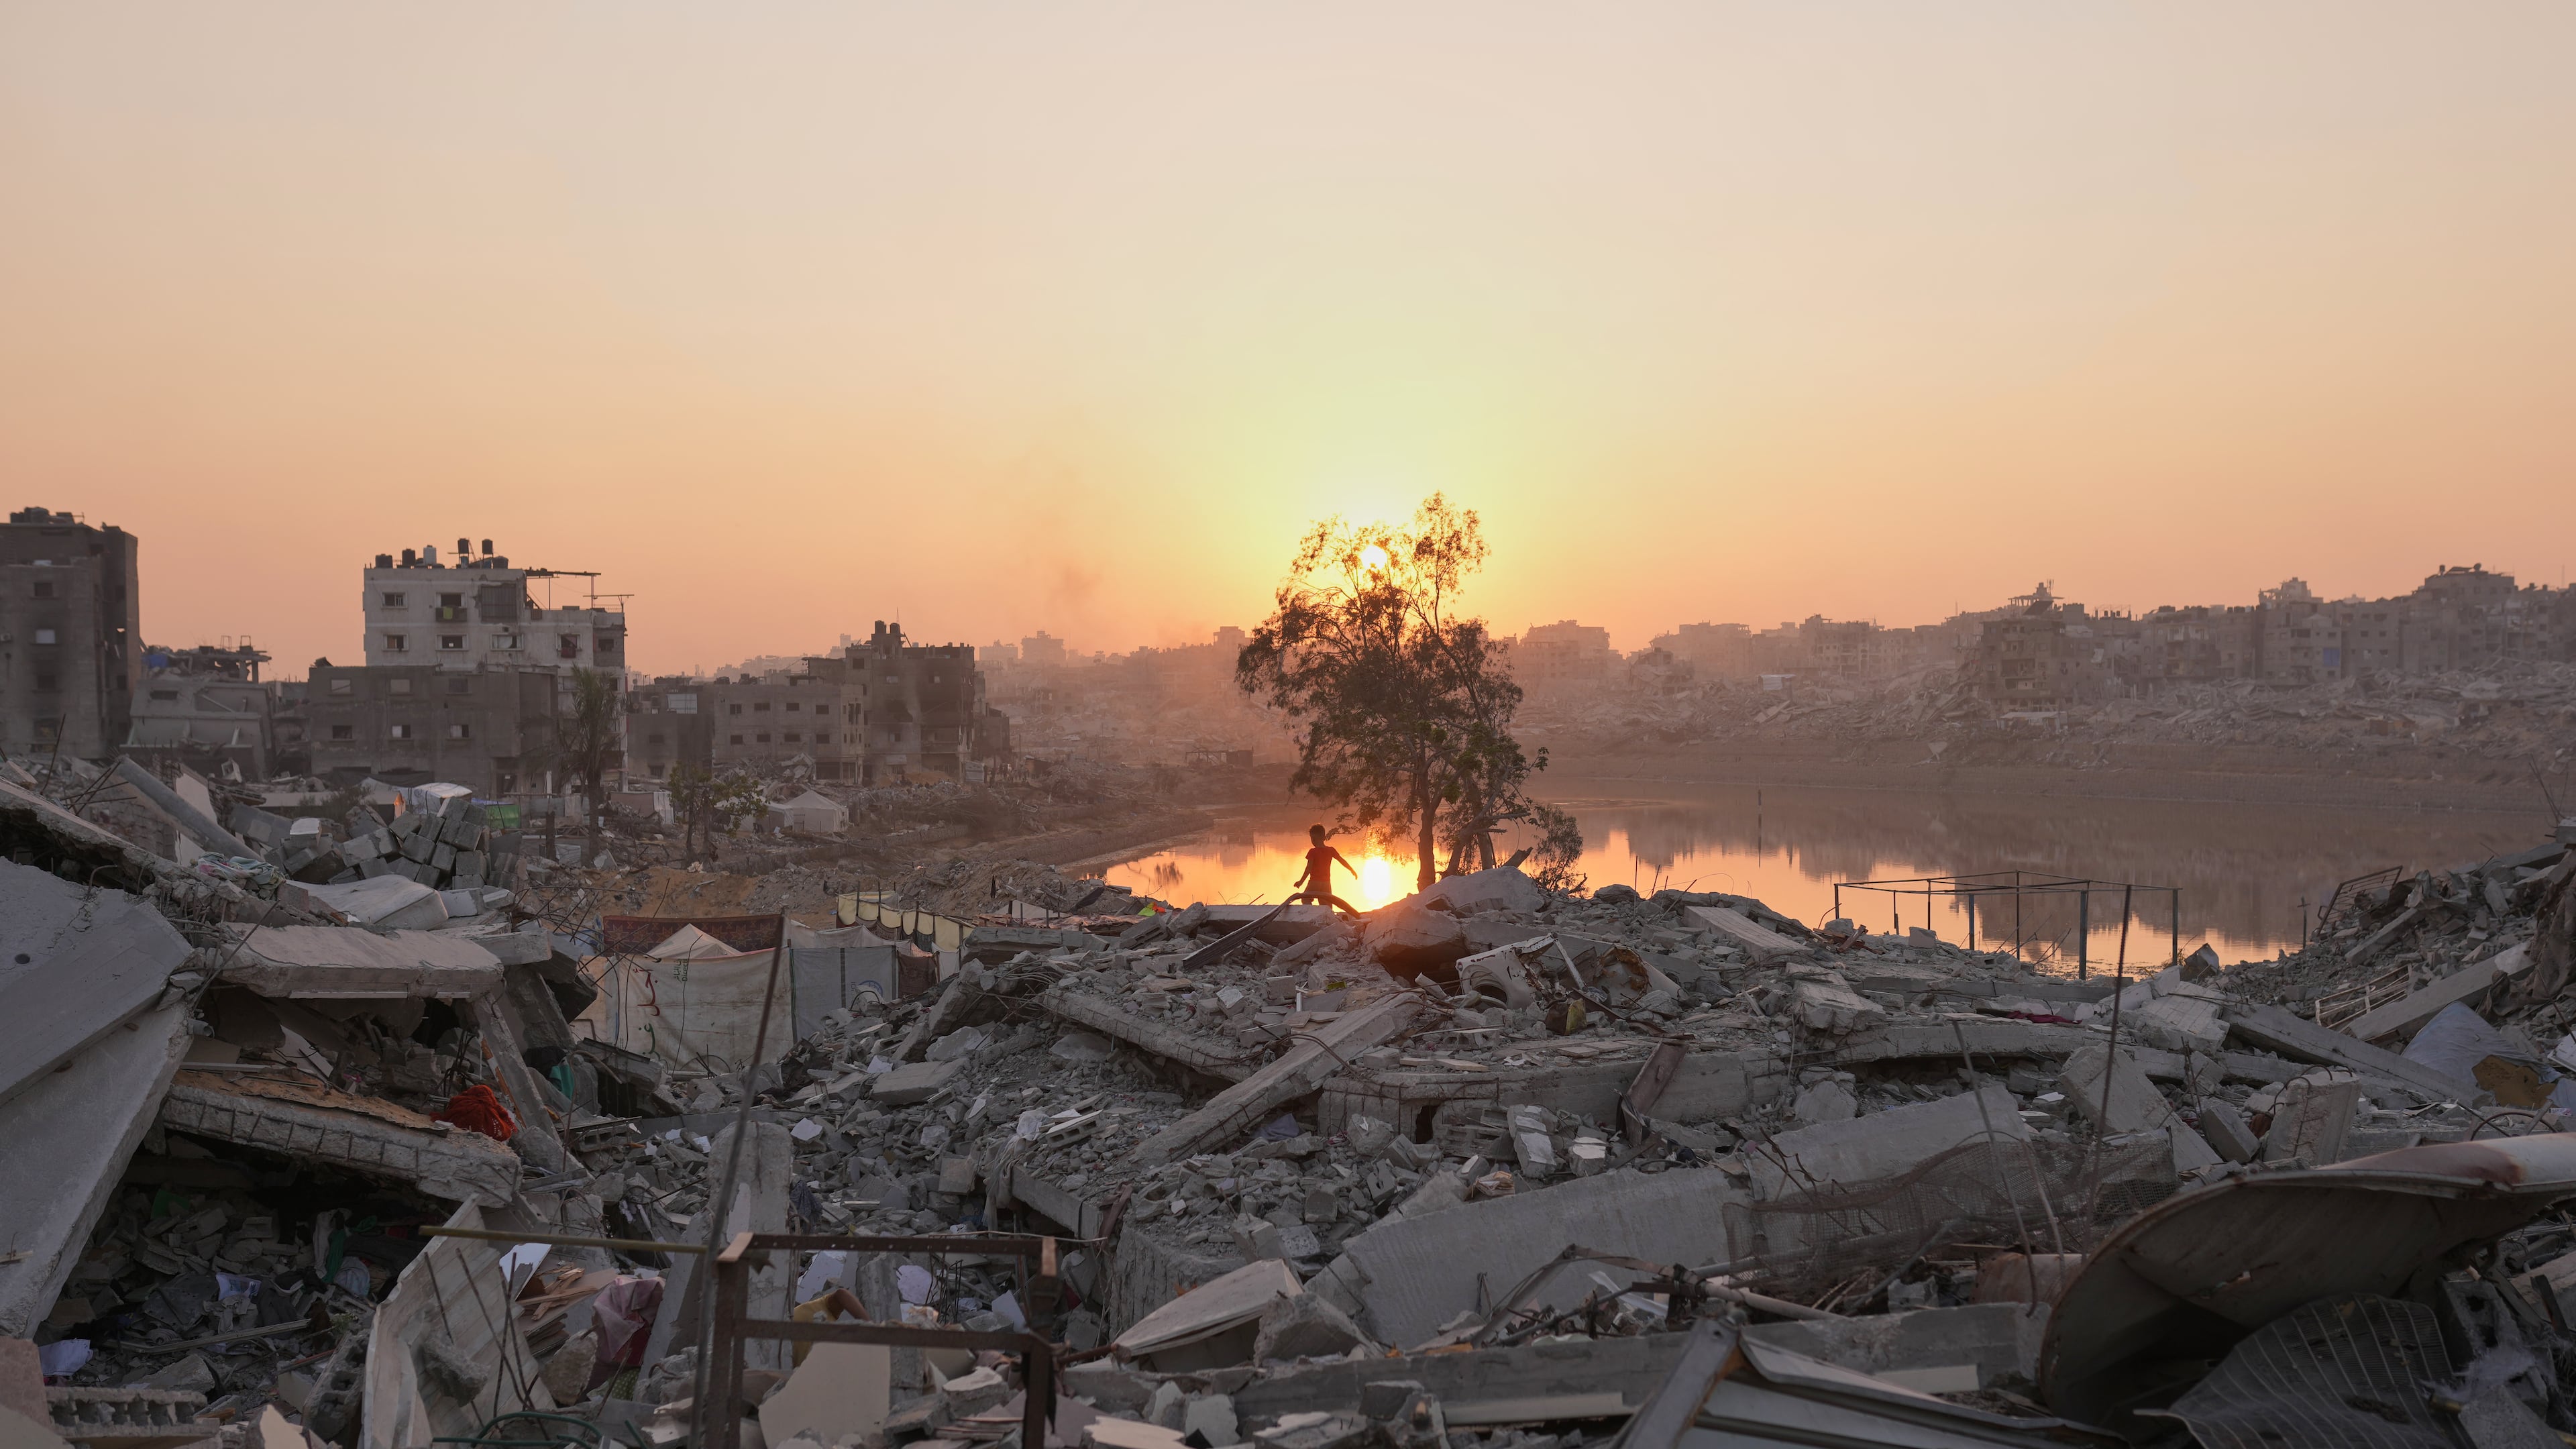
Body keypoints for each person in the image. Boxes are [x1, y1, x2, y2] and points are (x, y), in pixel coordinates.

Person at [1288, 824, 1361, 917]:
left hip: (1315, 882)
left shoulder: (1312, 852)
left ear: (1313, 839)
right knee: (1327, 905)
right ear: (1324, 837)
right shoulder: (1331, 850)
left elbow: (1309, 868)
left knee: (1305, 899)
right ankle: (1329, 919)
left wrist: (1301, 882)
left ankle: (1310, 915)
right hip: (1326, 883)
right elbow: (1342, 861)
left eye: (1312, 838)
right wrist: (1352, 870)